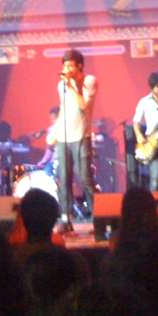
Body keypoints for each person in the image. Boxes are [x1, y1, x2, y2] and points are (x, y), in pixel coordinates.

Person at [53, 49, 97, 231]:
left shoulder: (89, 81)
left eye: (70, 65)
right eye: (65, 65)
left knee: (84, 177)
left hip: (81, 136)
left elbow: (83, 106)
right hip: (63, 137)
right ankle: (66, 218)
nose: (67, 69)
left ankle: (98, 216)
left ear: (80, 66)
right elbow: (64, 109)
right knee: (64, 178)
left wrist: (72, 86)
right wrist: (54, 130)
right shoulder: (61, 85)